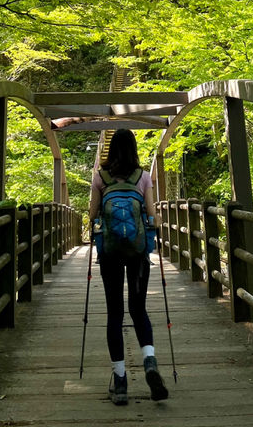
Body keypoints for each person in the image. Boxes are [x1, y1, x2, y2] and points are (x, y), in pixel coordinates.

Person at [89, 129, 169, 405]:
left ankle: (120, 382)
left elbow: (91, 214)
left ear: (110, 149)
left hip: (110, 252)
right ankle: (149, 362)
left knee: (115, 312)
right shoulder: (143, 176)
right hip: (137, 253)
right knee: (138, 308)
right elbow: (151, 216)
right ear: (134, 149)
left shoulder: (101, 176)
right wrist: (153, 223)